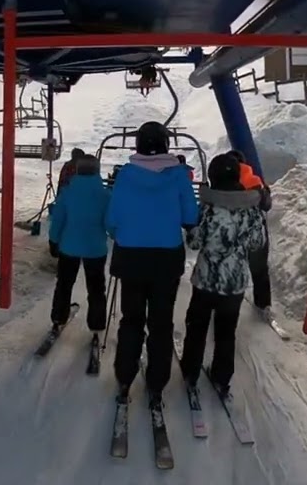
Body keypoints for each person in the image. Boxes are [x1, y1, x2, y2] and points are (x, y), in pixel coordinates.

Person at [105, 121, 199, 408]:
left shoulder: (126, 175)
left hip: (131, 257)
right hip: (166, 260)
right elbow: (190, 217)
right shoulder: (179, 176)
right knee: (161, 322)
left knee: (131, 319)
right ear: (166, 144)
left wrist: (123, 233)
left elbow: (112, 219)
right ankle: (157, 382)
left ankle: (125, 377)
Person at [180, 153, 268, 399]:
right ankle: (222, 377)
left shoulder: (208, 208)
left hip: (205, 281)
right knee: (226, 332)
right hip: (234, 283)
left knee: (196, 326)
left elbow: (194, 242)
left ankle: (190, 370)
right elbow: (257, 242)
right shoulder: (251, 210)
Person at [47, 155, 111, 339]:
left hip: (69, 247)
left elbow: (57, 221)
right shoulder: (106, 195)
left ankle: (58, 318)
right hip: (95, 249)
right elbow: (110, 224)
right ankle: (96, 325)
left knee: (64, 284)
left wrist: (53, 241)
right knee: (96, 289)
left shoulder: (67, 193)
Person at [227, 149, 273, 316]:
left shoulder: (223, 180)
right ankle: (263, 304)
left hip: (232, 230)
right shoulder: (255, 181)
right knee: (259, 269)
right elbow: (266, 206)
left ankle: (227, 302)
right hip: (255, 231)